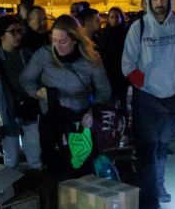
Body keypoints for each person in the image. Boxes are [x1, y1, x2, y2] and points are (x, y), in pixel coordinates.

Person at [122, 0, 175, 209]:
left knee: (163, 147)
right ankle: (150, 197)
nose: (159, 2)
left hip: (171, 97)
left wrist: (172, 81)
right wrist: (149, 84)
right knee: (146, 149)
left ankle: (159, 187)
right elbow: (127, 65)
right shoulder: (138, 27)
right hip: (146, 99)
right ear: (148, 0)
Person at [21, 14, 110, 176]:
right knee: (55, 167)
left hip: (80, 121)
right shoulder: (44, 55)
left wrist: (92, 112)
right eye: (54, 40)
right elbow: (26, 80)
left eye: (63, 42)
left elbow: (103, 90)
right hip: (52, 119)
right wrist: (36, 92)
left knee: (80, 166)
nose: (57, 46)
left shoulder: (91, 59)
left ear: (75, 39)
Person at [0, 16, 41, 169]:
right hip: (7, 114)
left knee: (35, 157)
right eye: (13, 32)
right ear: (2, 35)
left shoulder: (26, 55)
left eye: (19, 31)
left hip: (28, 110)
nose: (18, 35)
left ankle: (38, 188)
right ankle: (12, 191)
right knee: (11, 161)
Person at [99, 6, 129, 110]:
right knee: (110, 100)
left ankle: (123, 121)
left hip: (121, 72)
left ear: (121, 17)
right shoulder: (104, 33)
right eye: (112, 17)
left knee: (122, 100)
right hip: (108, 72)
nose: (114, 20)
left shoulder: (126, 33)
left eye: (117, 17)